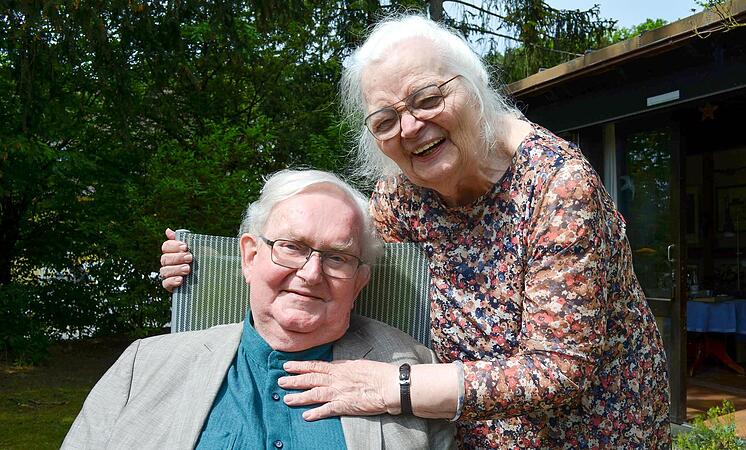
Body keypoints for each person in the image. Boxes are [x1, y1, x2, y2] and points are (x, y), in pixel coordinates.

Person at [159, 14, 671, 448]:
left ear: (472, 85)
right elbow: (330, 259)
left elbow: (559, 369)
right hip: (463, 433)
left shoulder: (557, 186)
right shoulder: (404, 194)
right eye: (385, 121)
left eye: (426, 99)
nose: (409, 127)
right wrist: (205, 269)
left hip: (590, 434)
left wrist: (394, 385)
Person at [63, 169, 454, 450]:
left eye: (337, 257)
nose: (311, 273)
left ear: (359, 283)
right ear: (250, 257)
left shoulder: (412, 370)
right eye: (292, 247)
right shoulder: (144, 365)